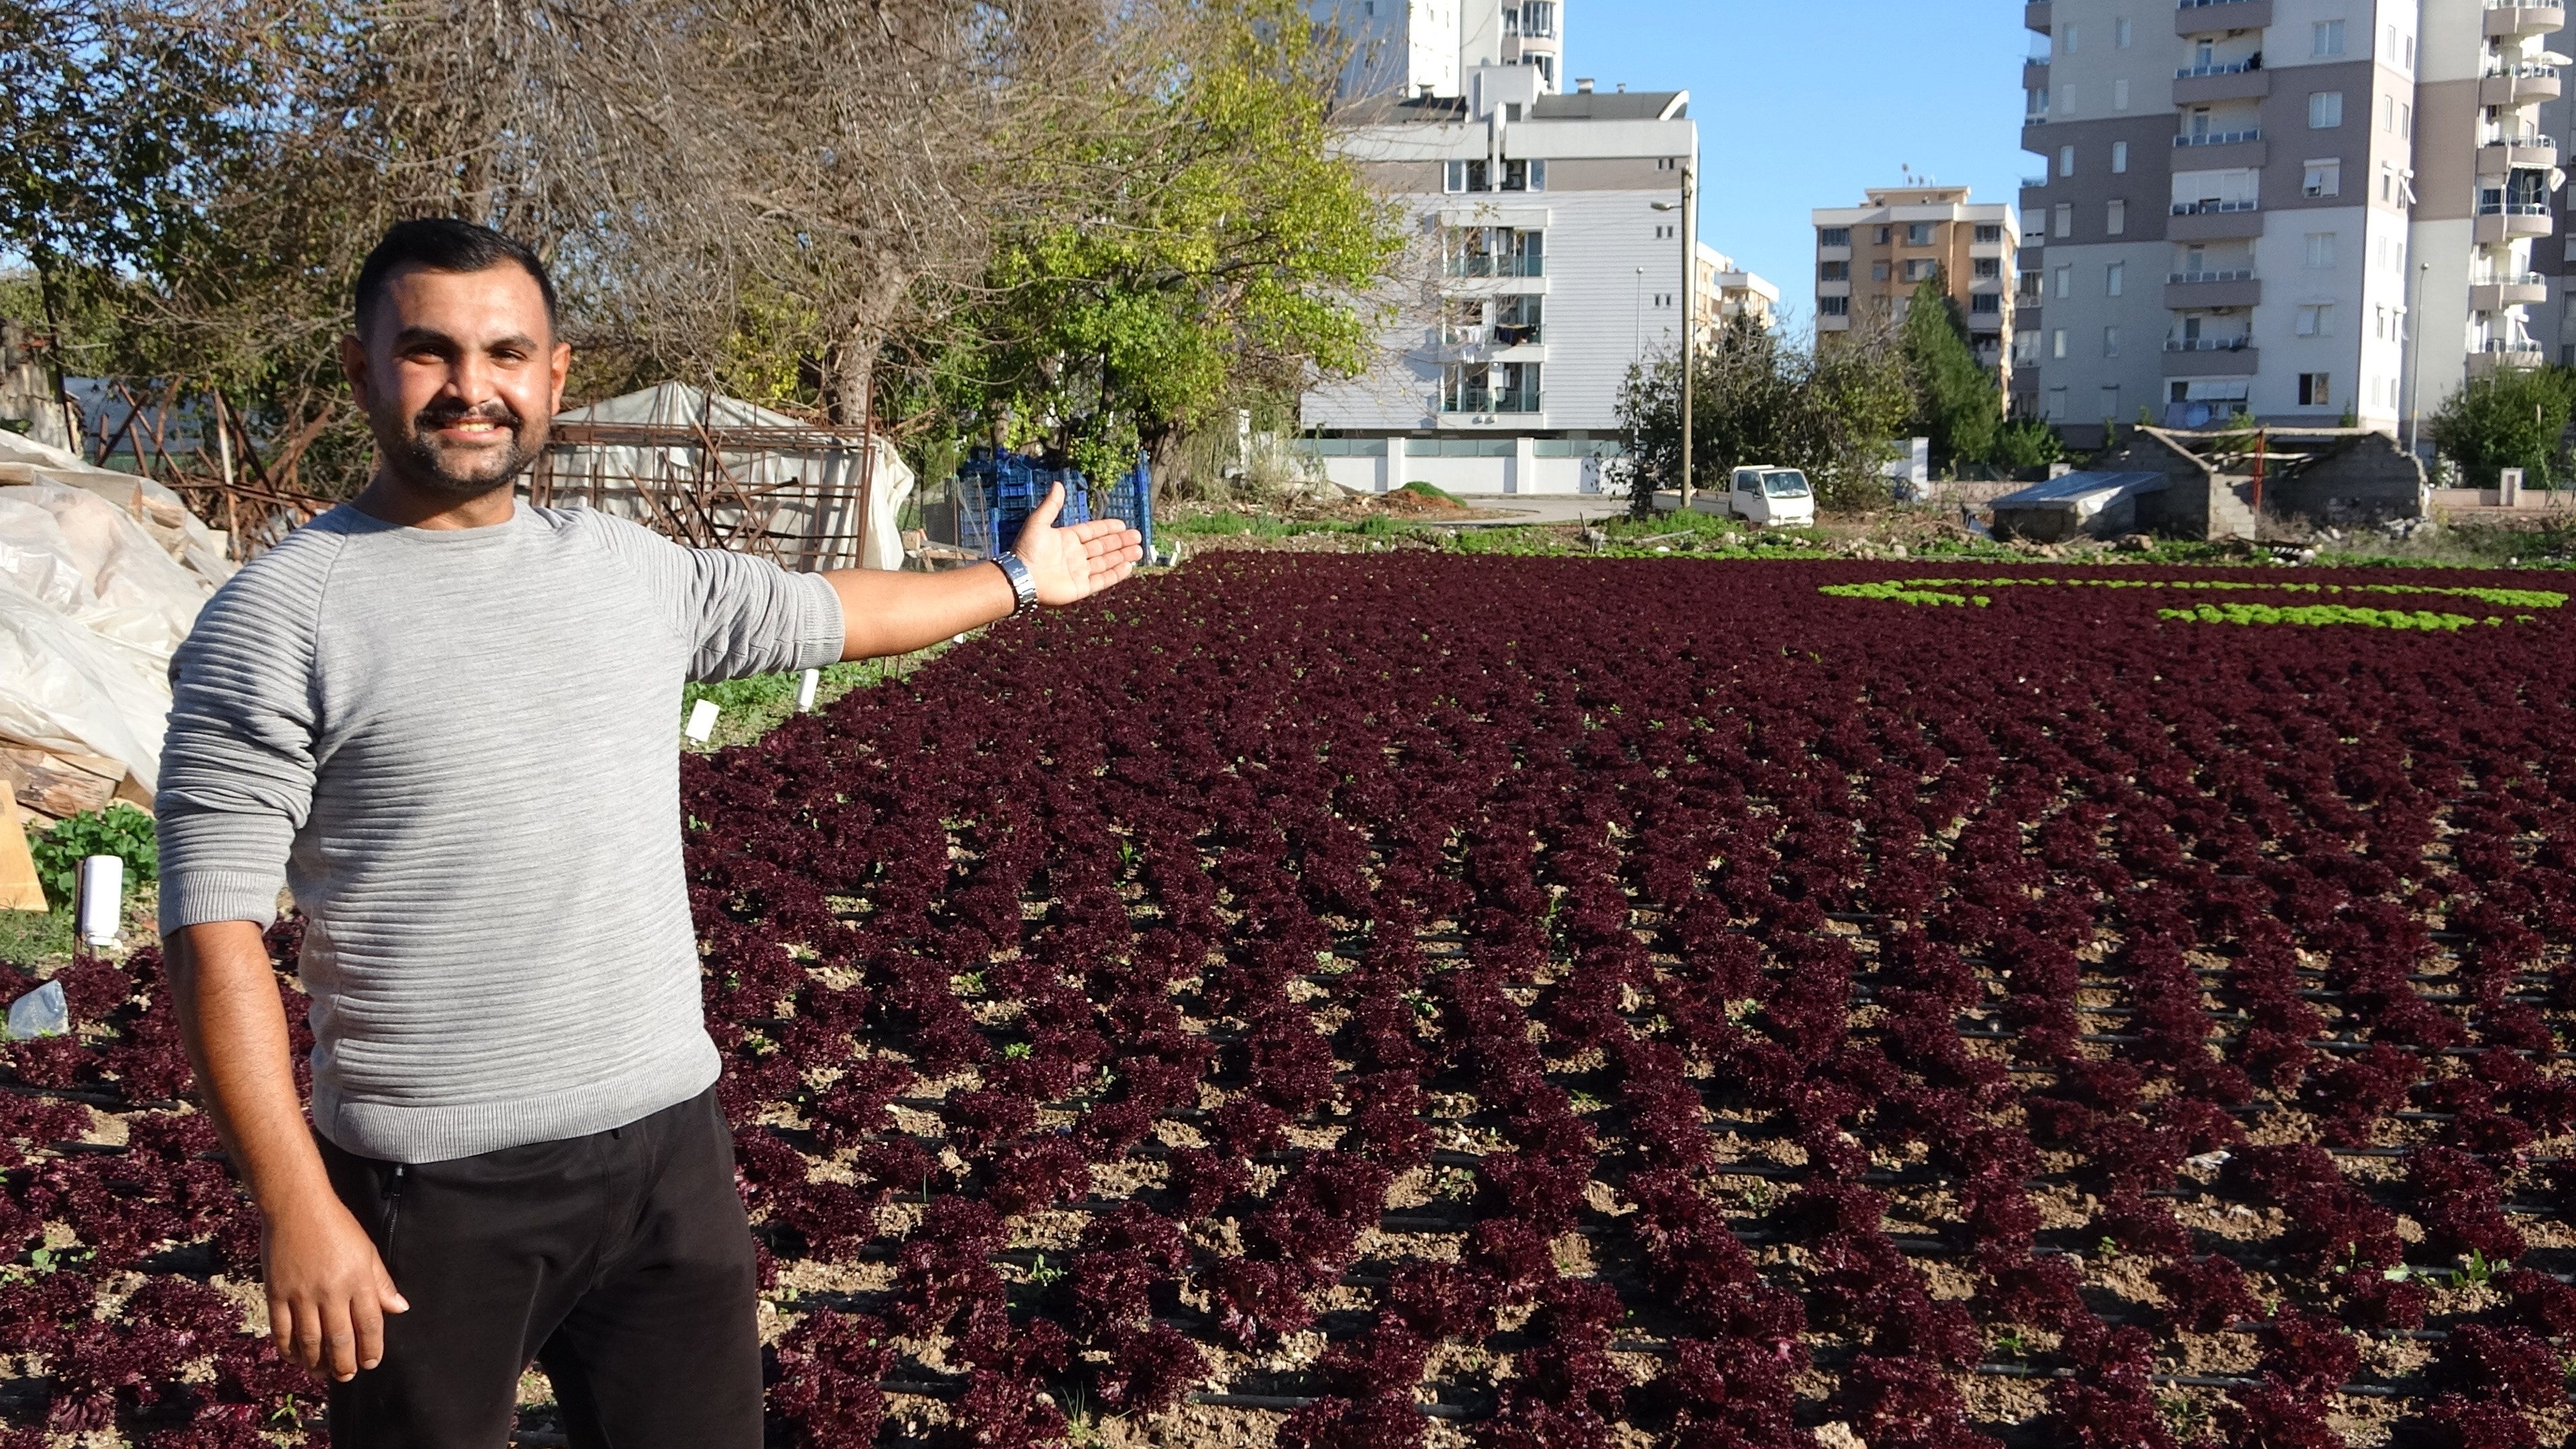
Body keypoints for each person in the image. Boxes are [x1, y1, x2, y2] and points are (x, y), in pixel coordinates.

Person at [159, 217, 1142, 1448]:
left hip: (666, 1156)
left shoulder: (630, 572)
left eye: (507, 353)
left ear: (555, 376)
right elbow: (211, 929)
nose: (474, 387)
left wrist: (1013, 582)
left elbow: (835, 611)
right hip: (432, 1192)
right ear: (364, 372)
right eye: (429, 352)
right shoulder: (279, 617)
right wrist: (294, 1202)